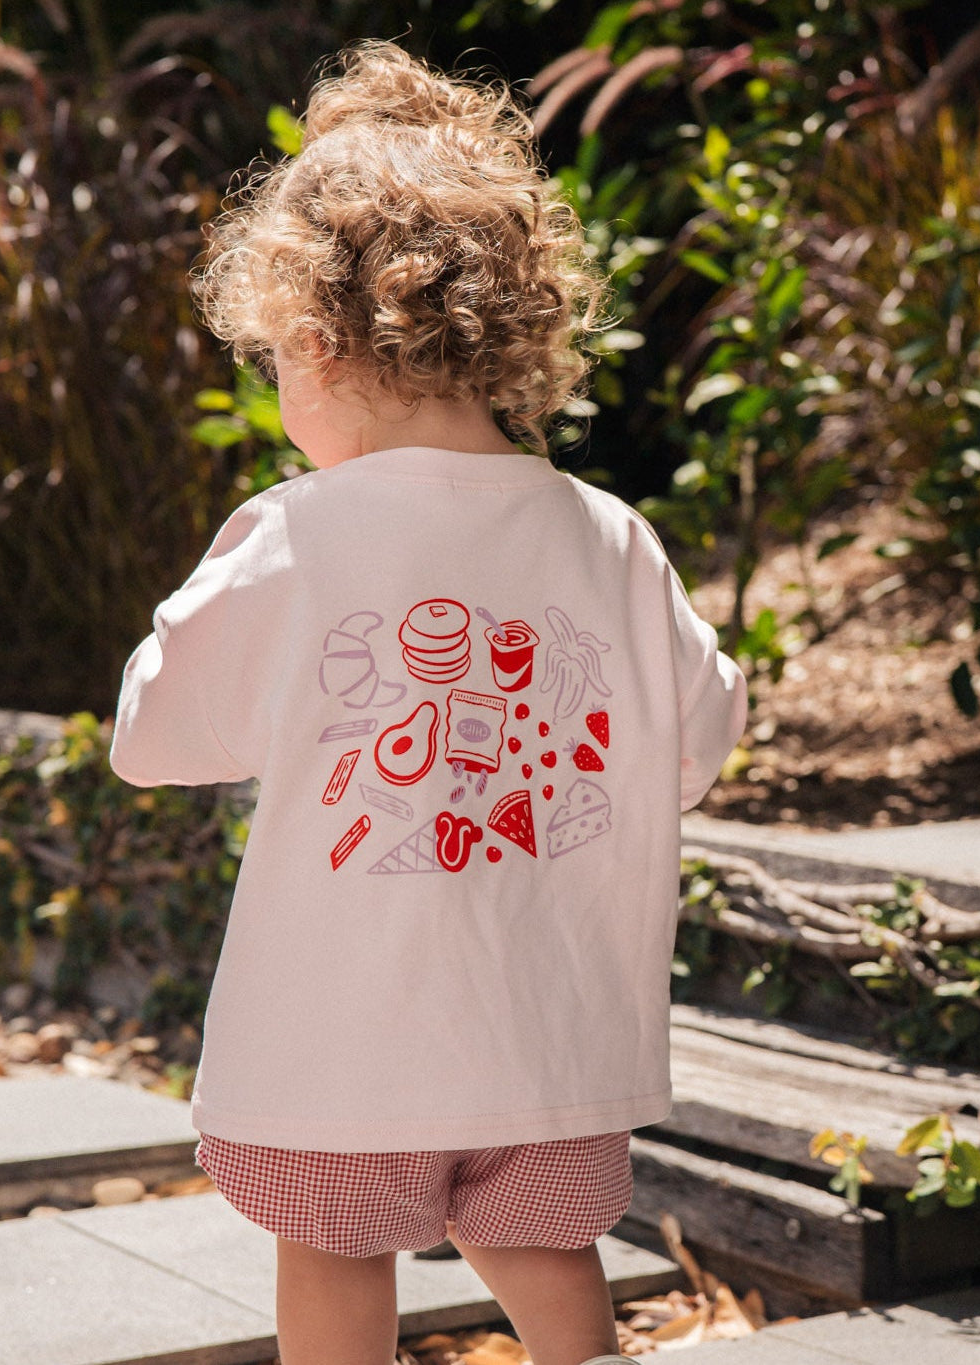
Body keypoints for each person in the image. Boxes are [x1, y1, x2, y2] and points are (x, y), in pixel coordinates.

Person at [109, 39, 747, 1365]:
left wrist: (208, 590)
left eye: (277, 366)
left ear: (320, 342)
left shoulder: (293, 536)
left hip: (345, 1049)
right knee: (542, 1251)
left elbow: (151, 736)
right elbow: (698, 739)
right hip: (548, 1042)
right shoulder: (610, 538)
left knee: (336, 1260)